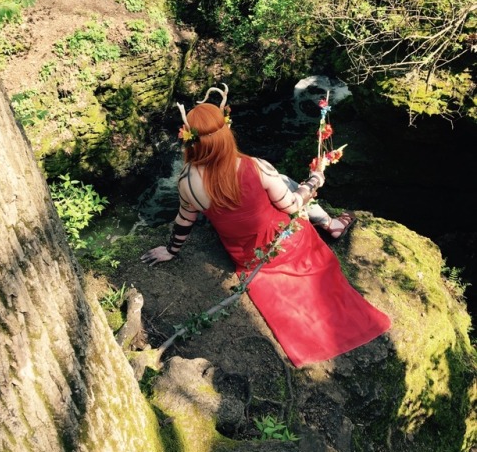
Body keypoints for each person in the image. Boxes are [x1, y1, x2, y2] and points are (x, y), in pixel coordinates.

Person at [141, 89, 391, 367]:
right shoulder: (255, 166)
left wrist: (171, 250)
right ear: (226, 135)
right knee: (287, 183)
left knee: (279, 181)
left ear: (189, 141)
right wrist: (314, 181)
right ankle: (332, 225)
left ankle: (331, 224)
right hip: (287, 244)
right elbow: (294, 206)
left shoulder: (186, 182)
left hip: (248, 256)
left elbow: (184, 221)